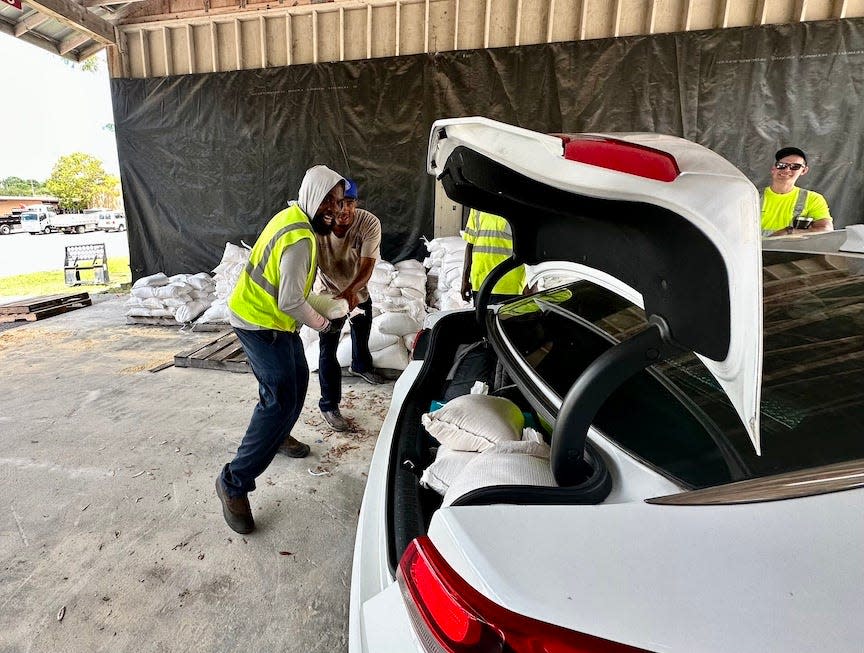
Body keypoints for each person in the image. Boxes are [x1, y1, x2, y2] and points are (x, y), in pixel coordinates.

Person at [215, 165, 346, 534]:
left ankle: (277, 434)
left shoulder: (294, 216)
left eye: (338, 202)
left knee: (296, 380)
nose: (334, 210)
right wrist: (324, 323)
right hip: (259, 322)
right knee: (280, 396)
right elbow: (290, 300)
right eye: (328, 202)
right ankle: (233, 482)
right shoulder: (301, 237)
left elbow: (293, 292)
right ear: (313, 197)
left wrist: (324, 304)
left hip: (272, 318)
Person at [315, 178, 385, 432]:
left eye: (350, 203)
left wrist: (351, 293)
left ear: (357, 203)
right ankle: (328, 405)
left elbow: (367, 265)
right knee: (328, 349)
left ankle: (361, 365)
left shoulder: (368, 223)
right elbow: (308, 265)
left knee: (362, 328)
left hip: (358, 291)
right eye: (339, 204)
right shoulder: (317, 227)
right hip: (329, 296)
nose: (344, 210)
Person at [761, 147, 833, 237]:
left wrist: (789, 232)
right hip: (752, 250)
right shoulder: (752, 196)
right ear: (773, 168)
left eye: (795, 166)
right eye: (782, 165)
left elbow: (826, 230)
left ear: (804, 170)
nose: (787, 170)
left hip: (791, 250)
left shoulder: (813, 199)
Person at [460, 208, 526, 303]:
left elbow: (528, 246)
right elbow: (470, 244)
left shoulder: (516, 203)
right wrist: (465, 279)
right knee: (482, 317)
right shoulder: (477, 206)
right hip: (480, 283)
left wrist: (530, 283)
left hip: (509, 284)